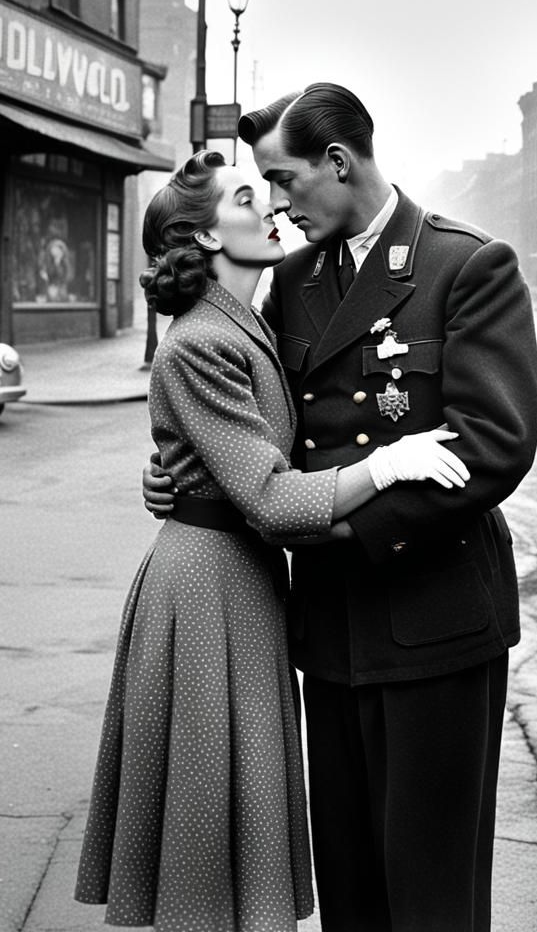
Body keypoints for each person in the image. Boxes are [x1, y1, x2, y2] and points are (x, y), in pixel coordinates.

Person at [143, 84, 537, 932]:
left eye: (284, 180)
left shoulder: (465, 264)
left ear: (338, 161)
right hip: (328, 628)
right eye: (263, 188)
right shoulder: (292, 281)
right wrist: (184, 479)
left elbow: (492, 444)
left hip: (430, 616)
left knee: (431, 890)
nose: (278, 204)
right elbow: (257, 423)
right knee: (351, 884)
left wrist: (346, 527)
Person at [74, 150, 472, 932]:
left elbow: (241, 453)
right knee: (208, 817)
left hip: (237, 576)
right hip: (209, 588)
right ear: (204, 236)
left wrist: (176, 471)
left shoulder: (251, 316)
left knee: (234, 796)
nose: (275, 209)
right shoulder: (202, 341)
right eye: (250, 198)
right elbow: (266, 494)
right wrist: (387, 464)